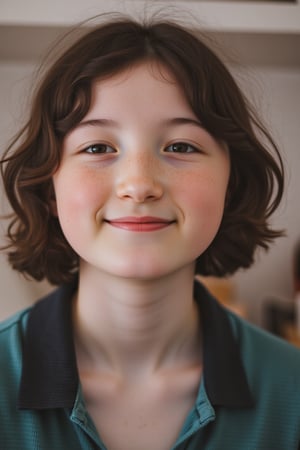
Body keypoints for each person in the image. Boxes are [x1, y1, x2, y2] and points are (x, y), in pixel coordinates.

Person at [0, 15, 299, 450]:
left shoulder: (291, 392)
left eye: (180, 146)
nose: (139, 185)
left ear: (230, 184)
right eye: (98, 147)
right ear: (49, 187)